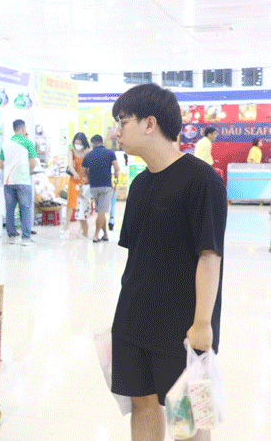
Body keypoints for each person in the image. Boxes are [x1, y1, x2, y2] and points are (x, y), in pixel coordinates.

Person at [110, 84, 227, 441]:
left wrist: (203, 325)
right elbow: (136, 253)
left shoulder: (202, 180)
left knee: (188, 416)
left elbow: (209, 256)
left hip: (184, 325)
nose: (118, 130)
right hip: (134, 319)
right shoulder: (141, 183)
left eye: (123, 121)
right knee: (142, 404)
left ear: (150, 124)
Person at [0, 119, 37, 246]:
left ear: (14, 129)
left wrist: (9, 169)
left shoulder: (5, 144)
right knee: (25, 209)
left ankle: (11, 237)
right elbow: (33, 162)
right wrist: (29, 172)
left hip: (8, 181)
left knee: (10, 209)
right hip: (24, 181)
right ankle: (25, 238)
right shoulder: (28, 143)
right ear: (24, 129)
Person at [81, 135, 120, 242]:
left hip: (94, 186)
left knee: (100, 212)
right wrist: (116, 176)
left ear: (92, 143)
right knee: (101, 212)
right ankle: (96, 235)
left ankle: (106, 235)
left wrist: (88, 178)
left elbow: (82, 172)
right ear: (102, 142)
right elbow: (117, 168)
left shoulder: (88, 155)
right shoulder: (110, 152)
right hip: (106, 186)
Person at [61, 132, 91, 238]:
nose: (77, 145)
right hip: (74, 179)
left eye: (79, 143)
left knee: (83, 204)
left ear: (83, 143)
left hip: (85, 181)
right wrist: (74, 174)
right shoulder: (71, 151)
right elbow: (70, 165)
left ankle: (82, 228)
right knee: (71, 202)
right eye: (76, 143)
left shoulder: (88, 151)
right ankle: (66, 225)